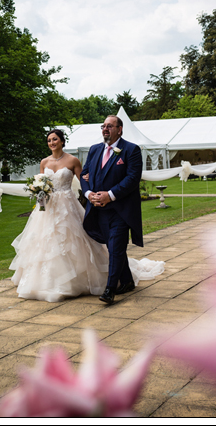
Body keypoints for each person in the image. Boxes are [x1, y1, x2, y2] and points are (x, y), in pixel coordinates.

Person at [9, 128, 164, 303]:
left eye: (54, 139)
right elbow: (41, 181)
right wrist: (39, 191)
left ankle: (88, 280)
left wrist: (92, 193)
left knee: (78, 241)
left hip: (68, 206)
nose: (51, 143)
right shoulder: (44, 162)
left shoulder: (72, 160)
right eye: (49, 140)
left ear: (62, 141)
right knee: (44, 241)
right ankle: (43, 281)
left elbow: (85, 178)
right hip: (48, 208)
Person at [80, 115, 144, 305]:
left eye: (109, 126)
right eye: (103, 126)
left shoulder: (131, 150)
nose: (105, 129)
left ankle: (110, 290)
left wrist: (110, 195)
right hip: (98, 210)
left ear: (120, 129)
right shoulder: (94, 150)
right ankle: (127, 281)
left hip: (121, 210)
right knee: (113, 247)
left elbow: (132, 178)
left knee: (116, 248)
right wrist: (89, 193)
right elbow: (84, 174)